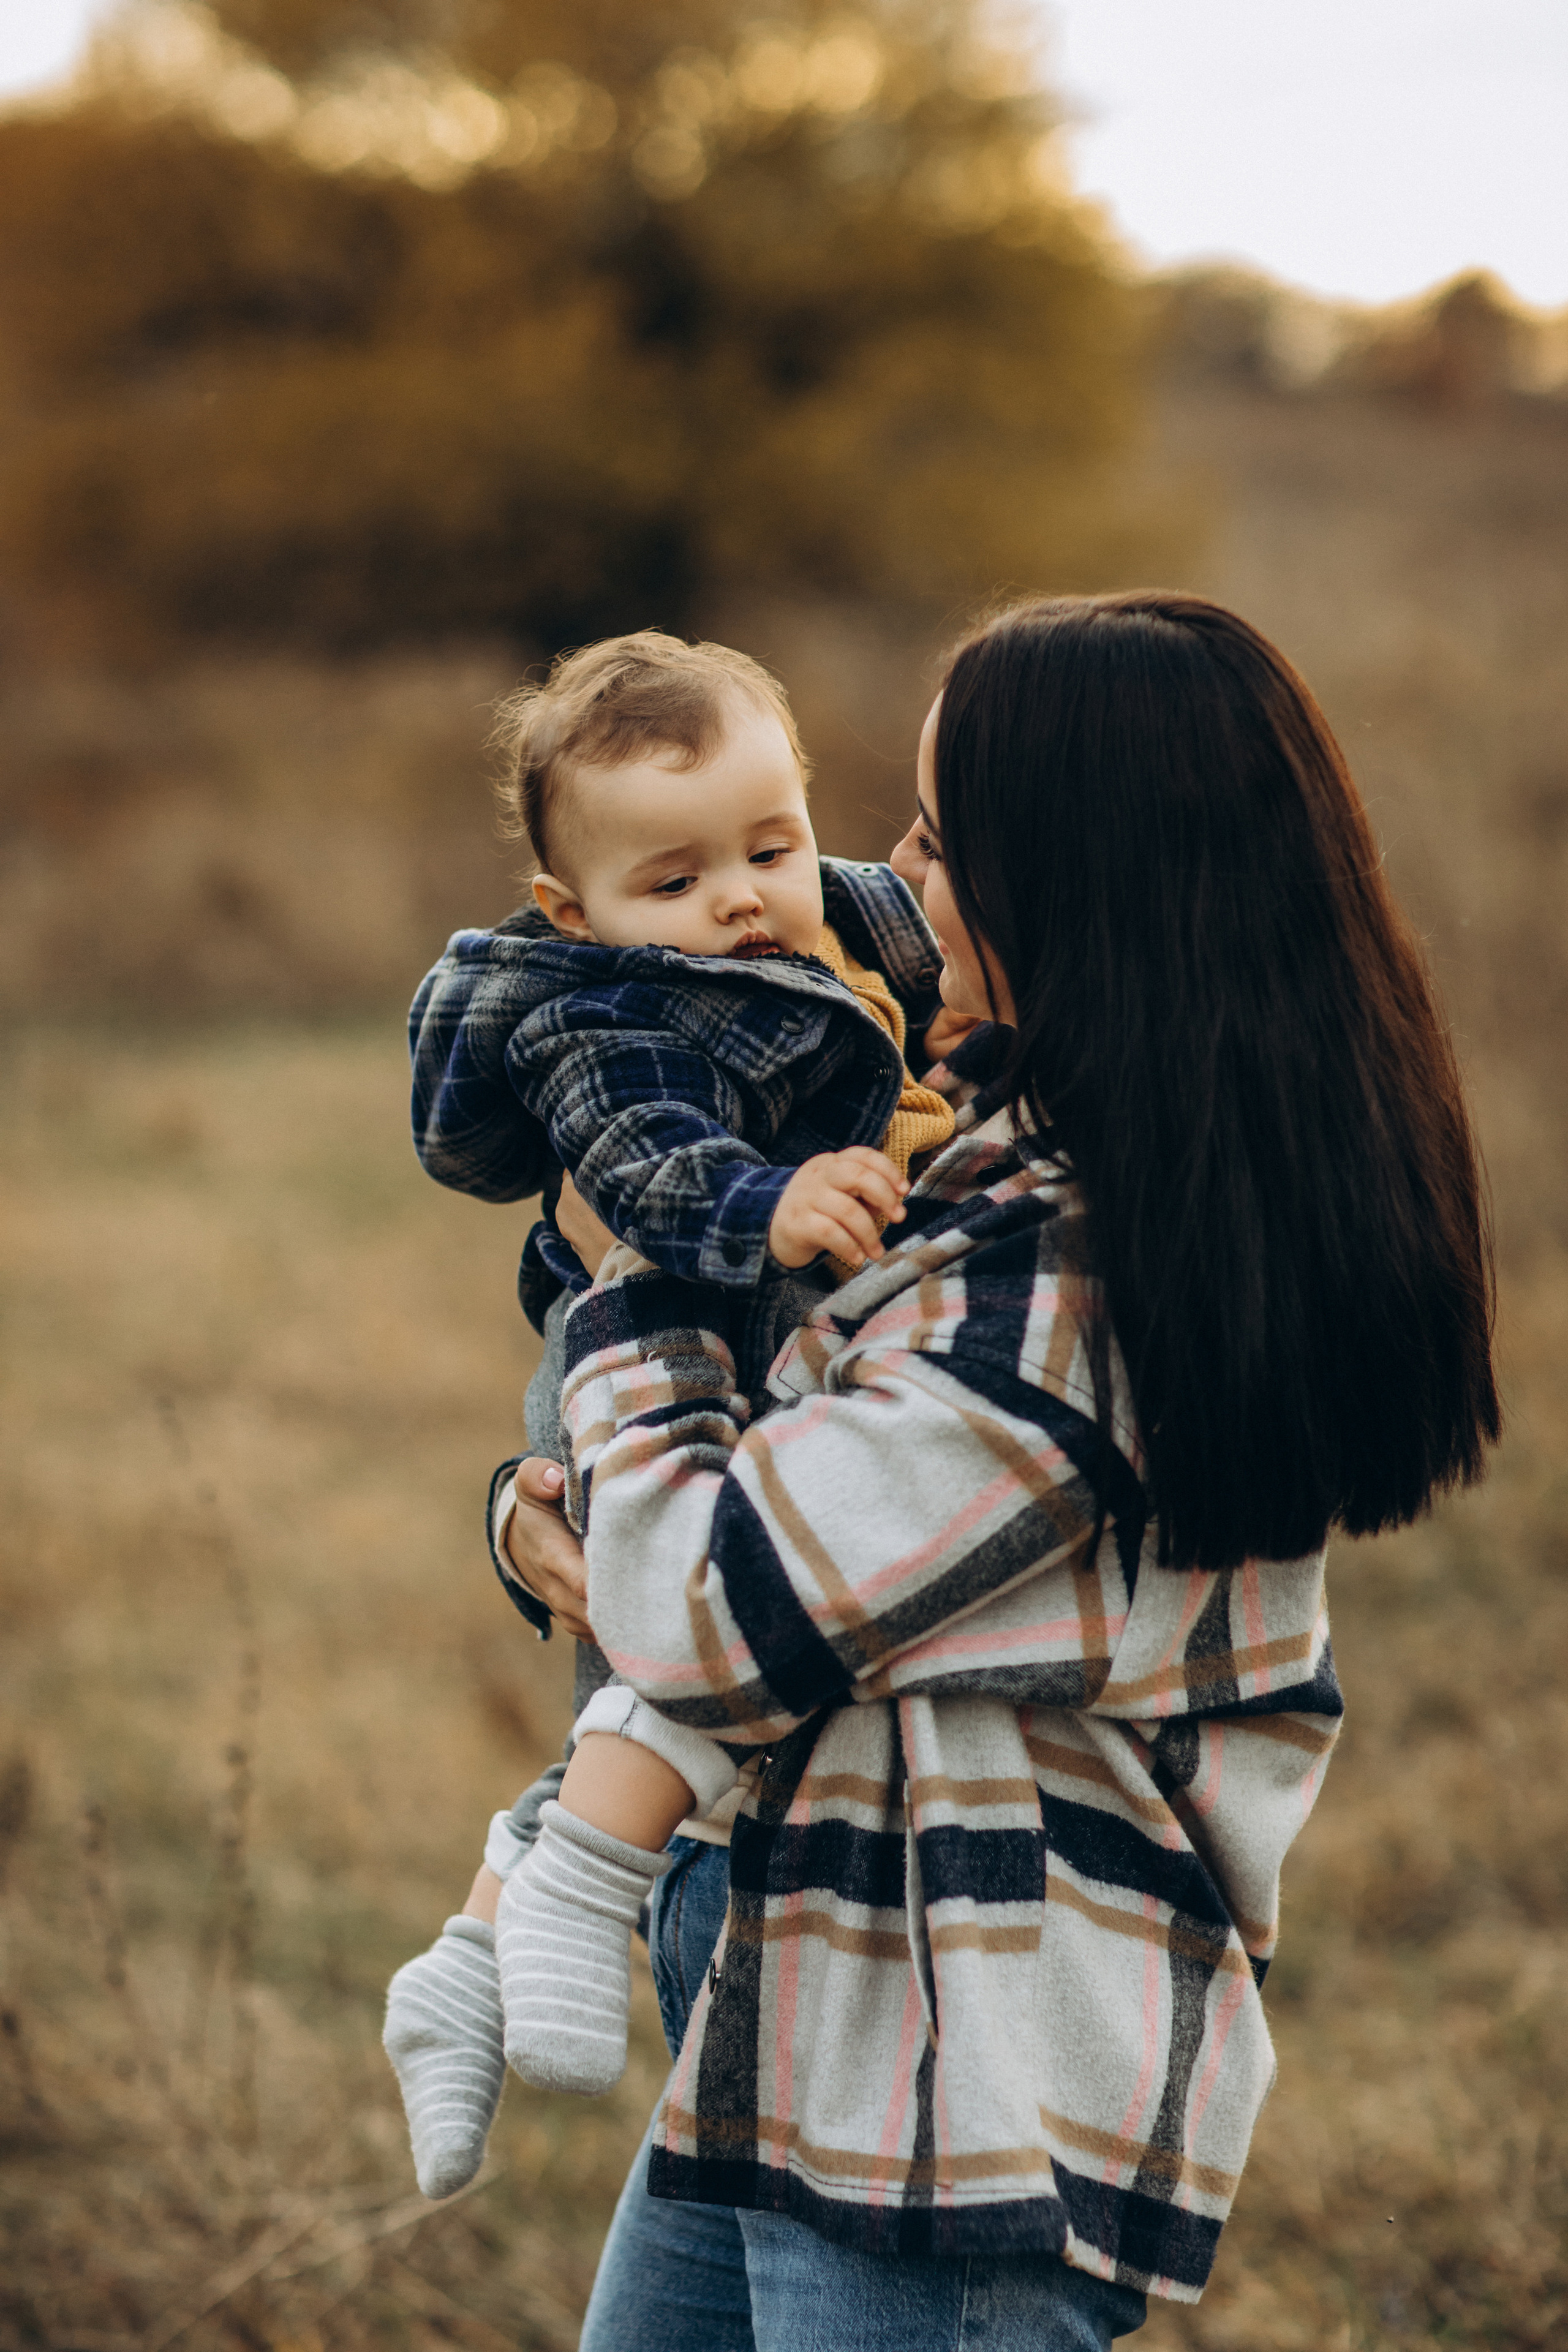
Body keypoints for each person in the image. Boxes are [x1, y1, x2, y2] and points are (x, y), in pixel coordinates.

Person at [498, 592, 1501, 2349]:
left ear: (1075, 883)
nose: (888, 870)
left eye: (941, 837)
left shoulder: (1075, 1280)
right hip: (809, 2014)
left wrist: (632, 1272)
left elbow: (708, 1614)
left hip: (956, 2114)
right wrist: (533, 1519)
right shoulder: (989, 1143)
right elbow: (763, 1477)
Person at [384, 632, 970, 2197]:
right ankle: (577, 1879)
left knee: (656, 1661)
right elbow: (641, 1164)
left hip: (715, 1370)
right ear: (573, 913)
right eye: (675, 879)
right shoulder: (598, 1009)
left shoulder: (824, 912)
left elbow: (921, 959)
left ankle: (477, 1944)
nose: (739, 899)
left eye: (772, 845)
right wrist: (770, 1200)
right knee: (667, 1632)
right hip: (657, 1336)